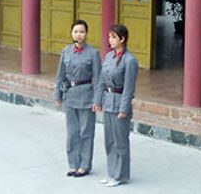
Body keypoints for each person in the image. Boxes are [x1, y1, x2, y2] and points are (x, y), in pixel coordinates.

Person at [54, 19, 101, 177]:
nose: (78, 35)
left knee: (86, 132)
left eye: (81, 32)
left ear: (86, 34)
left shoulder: (93, 53)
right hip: (70, 95)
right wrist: (58, 95)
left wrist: (97, 100)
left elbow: (98, 79)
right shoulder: (66, 51)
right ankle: (73, 164)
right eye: (76, 31)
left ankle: (84, 166)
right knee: (72, 133)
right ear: (71, 33)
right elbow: (60, 75)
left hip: (87, 96)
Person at [94, 24, 139, 187]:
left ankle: (121, 175)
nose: (110, 40)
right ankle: (112, 172)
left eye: (113, 37)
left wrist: (124, 109)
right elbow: (101, 81)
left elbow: (128, 88)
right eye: (109, 37)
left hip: (120, 103)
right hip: (108, 101)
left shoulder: (129, 60)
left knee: (121, 142)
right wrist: (98, 101)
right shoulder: (108, 57)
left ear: (122, 39)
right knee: (109, 141)